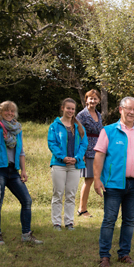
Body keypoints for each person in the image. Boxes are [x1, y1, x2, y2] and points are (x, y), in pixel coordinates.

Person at [93, 97, 134, 267]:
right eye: (128, 109)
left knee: (129, 221)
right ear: (120, 109)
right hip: (113, 184)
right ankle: (104, 256)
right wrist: (96, 179)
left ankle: (124, 254)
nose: (132, 112)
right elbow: (99, 155)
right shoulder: (109, 131)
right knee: (109, 220)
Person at [0, 101, 42, 245]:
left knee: (26, 200)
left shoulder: (18, 130)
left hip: (13, 171)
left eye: (12, 111)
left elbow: (21, 152)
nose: (10, 113)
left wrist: (23, 170)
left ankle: (26, 235)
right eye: (7, 111)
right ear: (1, 112)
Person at [47, 98, 86, 230]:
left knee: (71, 194)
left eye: (73, 109)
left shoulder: (78, 126)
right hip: (59, 164)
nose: (70, 111)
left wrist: (77, 158)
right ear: (62, 108)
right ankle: (56, 223)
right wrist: (62, 157)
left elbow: (83, 144)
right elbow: (52, 143)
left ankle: (69, 222)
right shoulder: (54, 126)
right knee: (58, 193)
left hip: (75, 165)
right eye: (68, 108)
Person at [76, 89, 103, 218]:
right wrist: (82, 153)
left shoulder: (99, 114)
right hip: (87, 149)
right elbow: (79, 134)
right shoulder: (81, 115)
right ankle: (82, 209)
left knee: (97, 178)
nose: (93, 101)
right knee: (89, 179)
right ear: (86, 100)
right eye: (90, 98)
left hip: (98, 149)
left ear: (99, 100)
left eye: (95, 98)